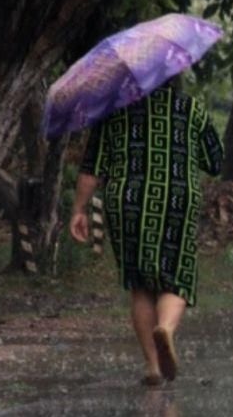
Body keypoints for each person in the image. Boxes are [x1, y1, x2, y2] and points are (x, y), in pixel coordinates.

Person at [69, 82, 224, 387]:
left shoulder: (114, 111)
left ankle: (153, 367)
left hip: (128, 200)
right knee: (176, 275)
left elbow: (92, 167)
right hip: (177, 198)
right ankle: (165, 327)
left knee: (140, 285)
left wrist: (79, 209)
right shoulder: (191, 108)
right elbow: (215, 162)